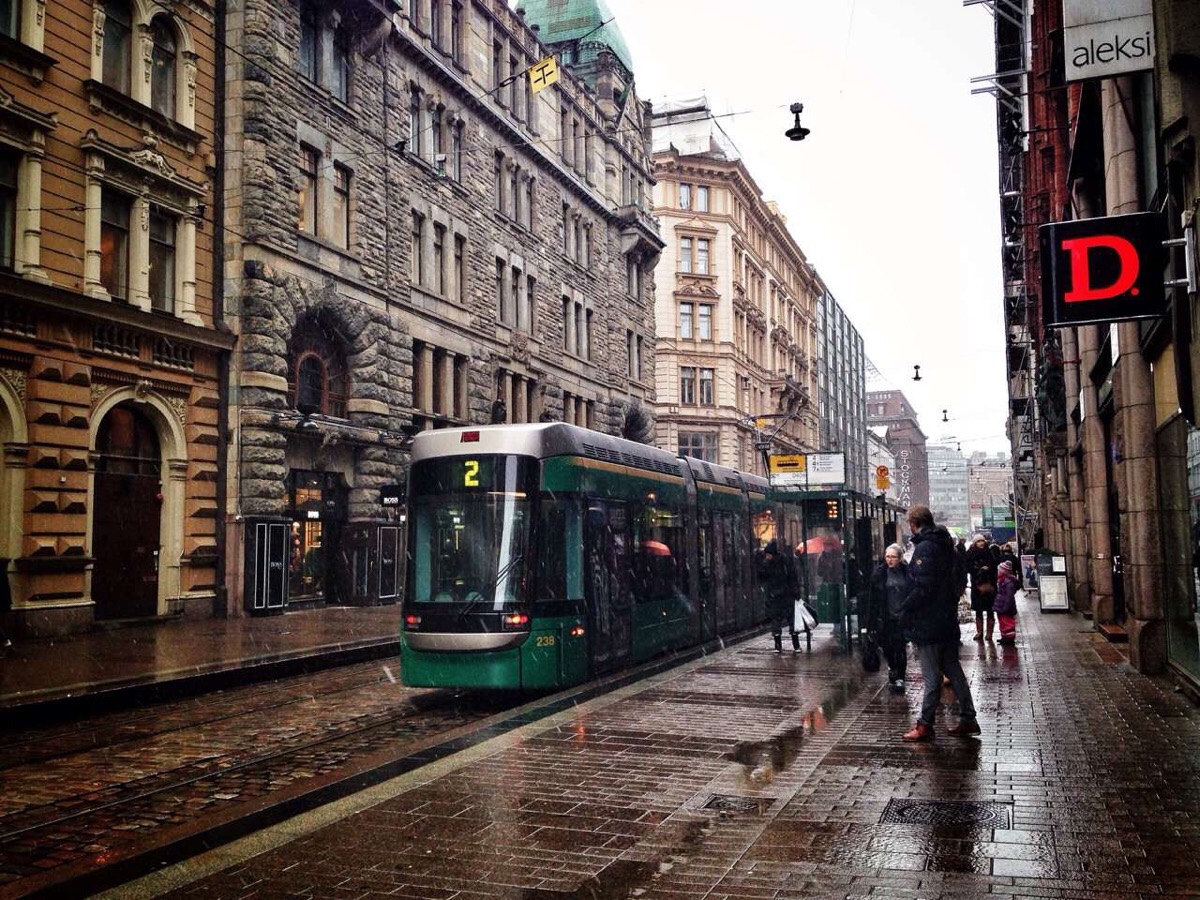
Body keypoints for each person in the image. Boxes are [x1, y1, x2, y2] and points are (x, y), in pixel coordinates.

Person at [898, 505, 979, 741]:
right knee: (953, 670)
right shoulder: (946, 545)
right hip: (946, 618)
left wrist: (905, 608)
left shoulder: (926, 548)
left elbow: (923, 587)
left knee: (932, 676)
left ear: (914, 523)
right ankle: (968, 717)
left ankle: (925, 725)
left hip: (929, 621)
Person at [867, 543, 909, 692]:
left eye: (893, 557)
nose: (890, 560)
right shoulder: (879, 574)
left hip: (902, 616)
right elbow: (873, 600)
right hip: (885, 617)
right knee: (888, 647)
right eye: (887, 557)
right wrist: (870, 623)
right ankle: (892, 666)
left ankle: (900, 677)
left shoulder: (907, 572)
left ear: (900, 558)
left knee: (900, 647)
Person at [758, 540, 801, 653]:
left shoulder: (773, 564)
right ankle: (796, 645)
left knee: (777, 621)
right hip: (786, 596)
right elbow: (793, 577)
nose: (766, 556)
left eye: (768, 554)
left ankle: (778, 646)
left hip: (777, 597)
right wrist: (795, 591)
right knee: (791, 620)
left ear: (771, 554)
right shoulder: (785, 561)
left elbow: (763, 577)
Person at [965, 534, 997, 641]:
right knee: (978, 610)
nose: (981, 543)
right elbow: (968, 568)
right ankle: (979, 632)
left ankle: (989, 634)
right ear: (974, 543)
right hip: (977, 586)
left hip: (989, 585)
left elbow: (995, 567)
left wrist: (988, 569)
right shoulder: (970, 554)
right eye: (978, 541)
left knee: (990, 610)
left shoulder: (989, 552)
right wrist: (979, 570)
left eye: (982, 541)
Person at [994, 560, 1019, 644]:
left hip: (1006, 606)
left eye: (999, 570)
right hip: (1002, 605)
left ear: (1003, 572)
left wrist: (1005, 607)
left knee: (1007, 622)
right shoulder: (1001, 580)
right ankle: (1005, 636)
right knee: (1002, 621)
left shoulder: (1007, 582)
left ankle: (1009, 637)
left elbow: (1009, 596)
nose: (998, 572)